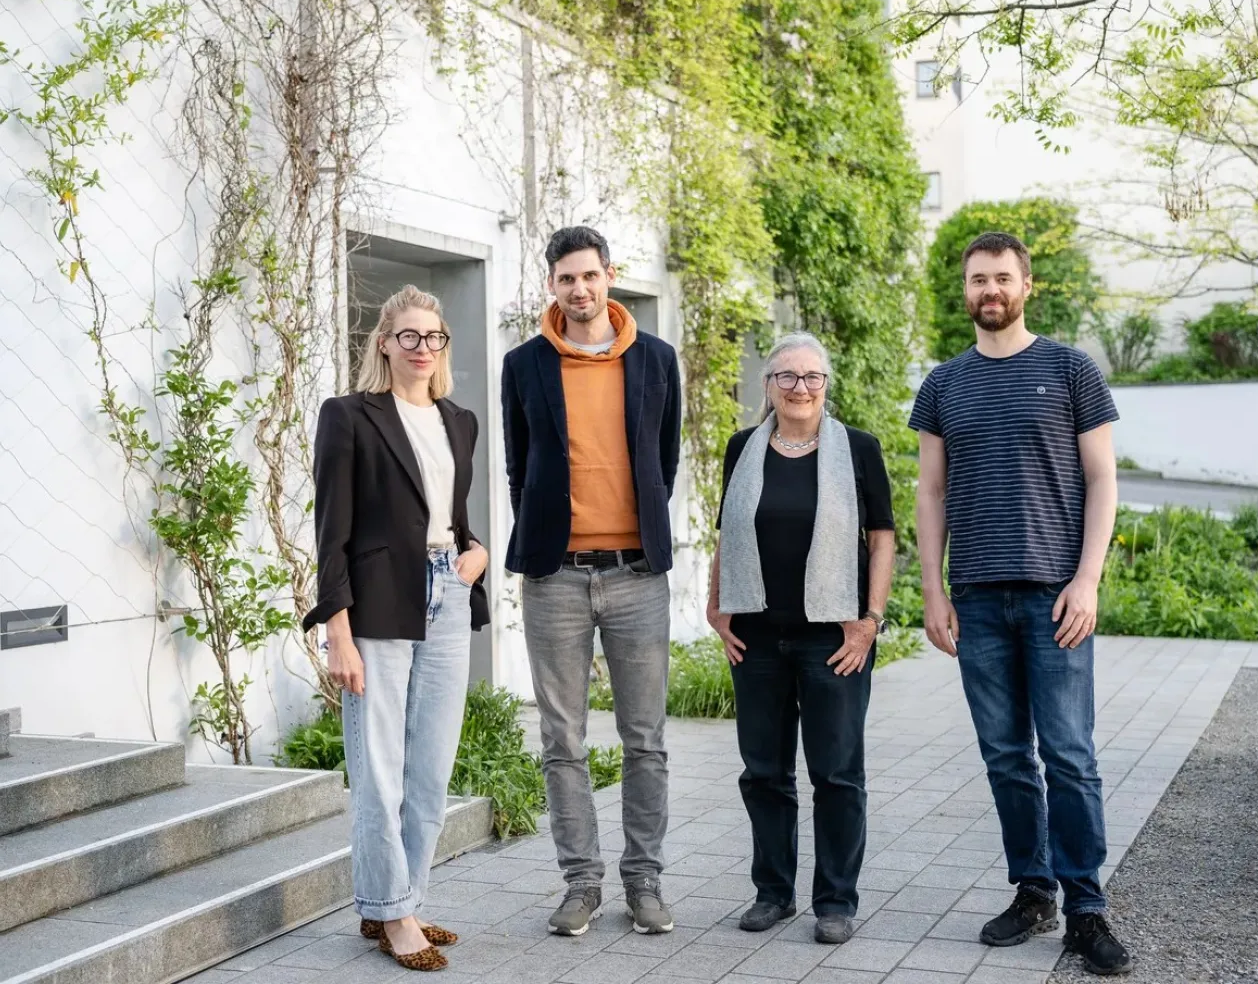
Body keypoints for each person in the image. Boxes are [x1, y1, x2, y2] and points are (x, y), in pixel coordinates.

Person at [911, 232, 1132, 975]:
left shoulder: (1071, 369)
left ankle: (1087, 909)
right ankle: (1033, 890)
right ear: (966, 290)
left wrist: (1088, 579)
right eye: (978, 280)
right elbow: (931, 491)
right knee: (1007, 758)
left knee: (1069, 757)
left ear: (1027, 285)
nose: (990, 290)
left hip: (1054, 595)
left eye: (1002, 278)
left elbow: (1103, 480)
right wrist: (934, 590)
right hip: (975, 597)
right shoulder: (943, 384)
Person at [500, 226, 682, 938]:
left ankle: (644, 883)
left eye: (590, 276)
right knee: (562, 741)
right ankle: (581, 884)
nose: (580, 289)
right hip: (555, 579)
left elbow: (662, 462)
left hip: (637, 574)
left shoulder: (657, 360)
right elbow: (522, 467)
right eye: (566, 278)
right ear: (552, 284)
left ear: (610, 276)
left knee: (646, 740)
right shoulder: (525, 365)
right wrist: (554, 536)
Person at [305, 285, 490, 973]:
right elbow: (332, 534)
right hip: (377, 603)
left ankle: (395, 901)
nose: (421, 347)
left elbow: (447, 513)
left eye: (433, 337)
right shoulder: (349, 416)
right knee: (379, 769)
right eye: (407, 335)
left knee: (431, 768)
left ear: (443, 346)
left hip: (448, 592)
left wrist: (477, 556)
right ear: (383, 342)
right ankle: (395, 914)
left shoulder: (459, 420)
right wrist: (338, 631)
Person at [707, 332, 896, 946]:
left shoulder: (859, 449)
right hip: (757, 637)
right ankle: (773, 893)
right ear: (768, 386)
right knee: (763, 772)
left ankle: (836, 901)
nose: (800, 388)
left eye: (812, 377)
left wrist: (870, 618)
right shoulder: (743, 448)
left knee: (837, 774)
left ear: (826, 385)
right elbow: (726, 532)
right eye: (787, 377)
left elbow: (882, 539)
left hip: (833, 640)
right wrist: (715, 605)